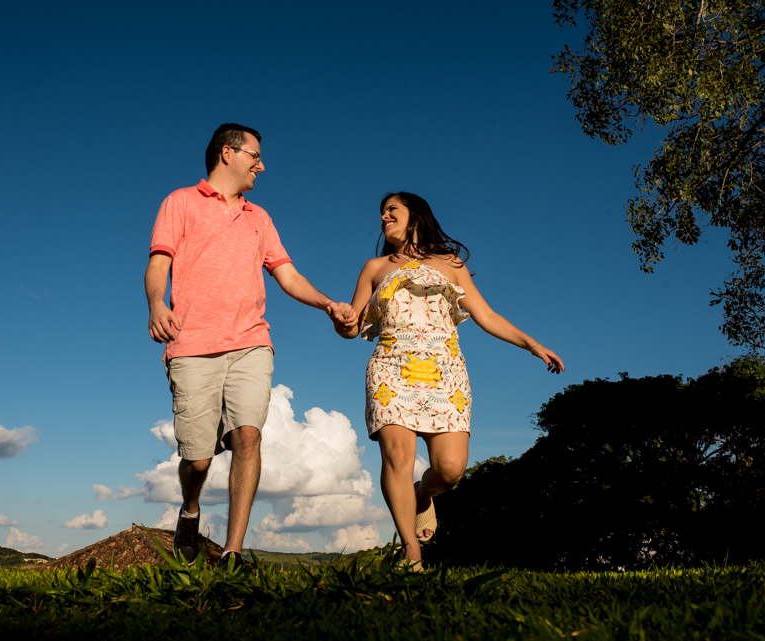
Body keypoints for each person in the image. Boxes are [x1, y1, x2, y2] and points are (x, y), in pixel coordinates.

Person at [145, 123, 356, 569]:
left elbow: (288, 275)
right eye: (255, 156)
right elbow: (159, 262)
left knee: (248, 435)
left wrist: (328, 304)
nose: (262, 165)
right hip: (192, 344)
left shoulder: (260, 218)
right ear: (228, 153)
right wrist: (157, 304)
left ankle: (232, 551)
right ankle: (190, 510)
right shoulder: (180, 202)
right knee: (197, 461)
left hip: (250, 342)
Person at [331, 192, 563, 568]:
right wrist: (343, 320)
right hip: (391, 369)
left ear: (415, 216)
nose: (383, 217)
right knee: (397, 456)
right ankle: (411, 552)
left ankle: (423, 495)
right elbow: (352, 326)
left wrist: (533, 345)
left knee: (451, 470)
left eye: (391, 210)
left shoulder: (450, 264)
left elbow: (486, 316)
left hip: (446, 373)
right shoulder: (374, 267)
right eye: (381, 213)